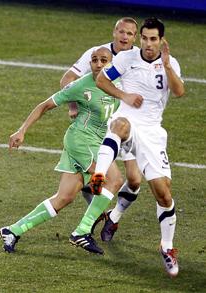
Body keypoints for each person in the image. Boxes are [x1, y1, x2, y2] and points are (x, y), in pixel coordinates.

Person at [0, 47, 124, 255]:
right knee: (115, 179)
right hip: (81, 142)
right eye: (94, 60)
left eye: (104, 60)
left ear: (112, 64)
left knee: (64, 198)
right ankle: (82, 231)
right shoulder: (81, 85)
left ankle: (12, 230)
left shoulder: (118, 85)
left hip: (97, 144)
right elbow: (45, 105)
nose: (99, 64)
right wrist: (22, 131)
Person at [91, 17, 184, 277]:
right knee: (118, 125)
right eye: (144, 38)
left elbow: (179, 92)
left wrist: (167, 67)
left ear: (161, 40)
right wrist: (125, 96)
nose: (148, 43)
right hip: (129, 119)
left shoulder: (169, 63)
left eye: (153, 39)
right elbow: (101, 80)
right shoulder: (126, 59)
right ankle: (99, 175)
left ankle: (166, 246)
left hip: (153, 133)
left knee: (163, 194)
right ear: (140, 38)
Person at [61, 17, 143, 241]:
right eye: (121, 32)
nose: (124, 37)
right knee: (110, 177)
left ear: (134, 37)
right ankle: (89, 220)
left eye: (129, 34)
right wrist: (73, 105)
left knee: (135, 179)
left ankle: (112, 218)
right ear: (114, 32)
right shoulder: (97, 53)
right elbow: (68, 79)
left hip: (130, 123)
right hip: (103, 126)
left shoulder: (138, 58)